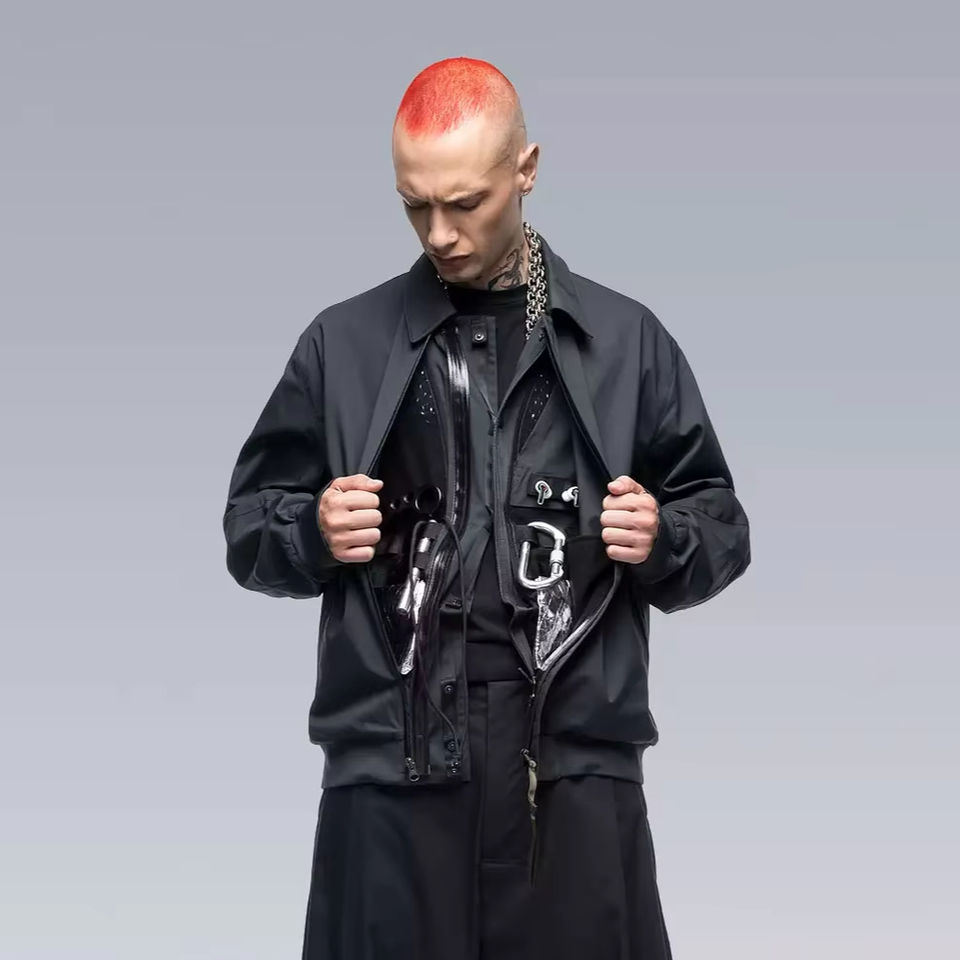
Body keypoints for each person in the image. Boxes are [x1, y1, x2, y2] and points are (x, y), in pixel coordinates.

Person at [222, 56, 751, 960]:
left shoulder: (626, 342)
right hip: (391, 764)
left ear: (526, 169)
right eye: (414, 206)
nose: (441, 233)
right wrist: (309, 529)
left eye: (465, 203)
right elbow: (248, 526)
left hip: (572, 767)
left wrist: (663, 537)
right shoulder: (343, 344)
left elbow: (721, 525)